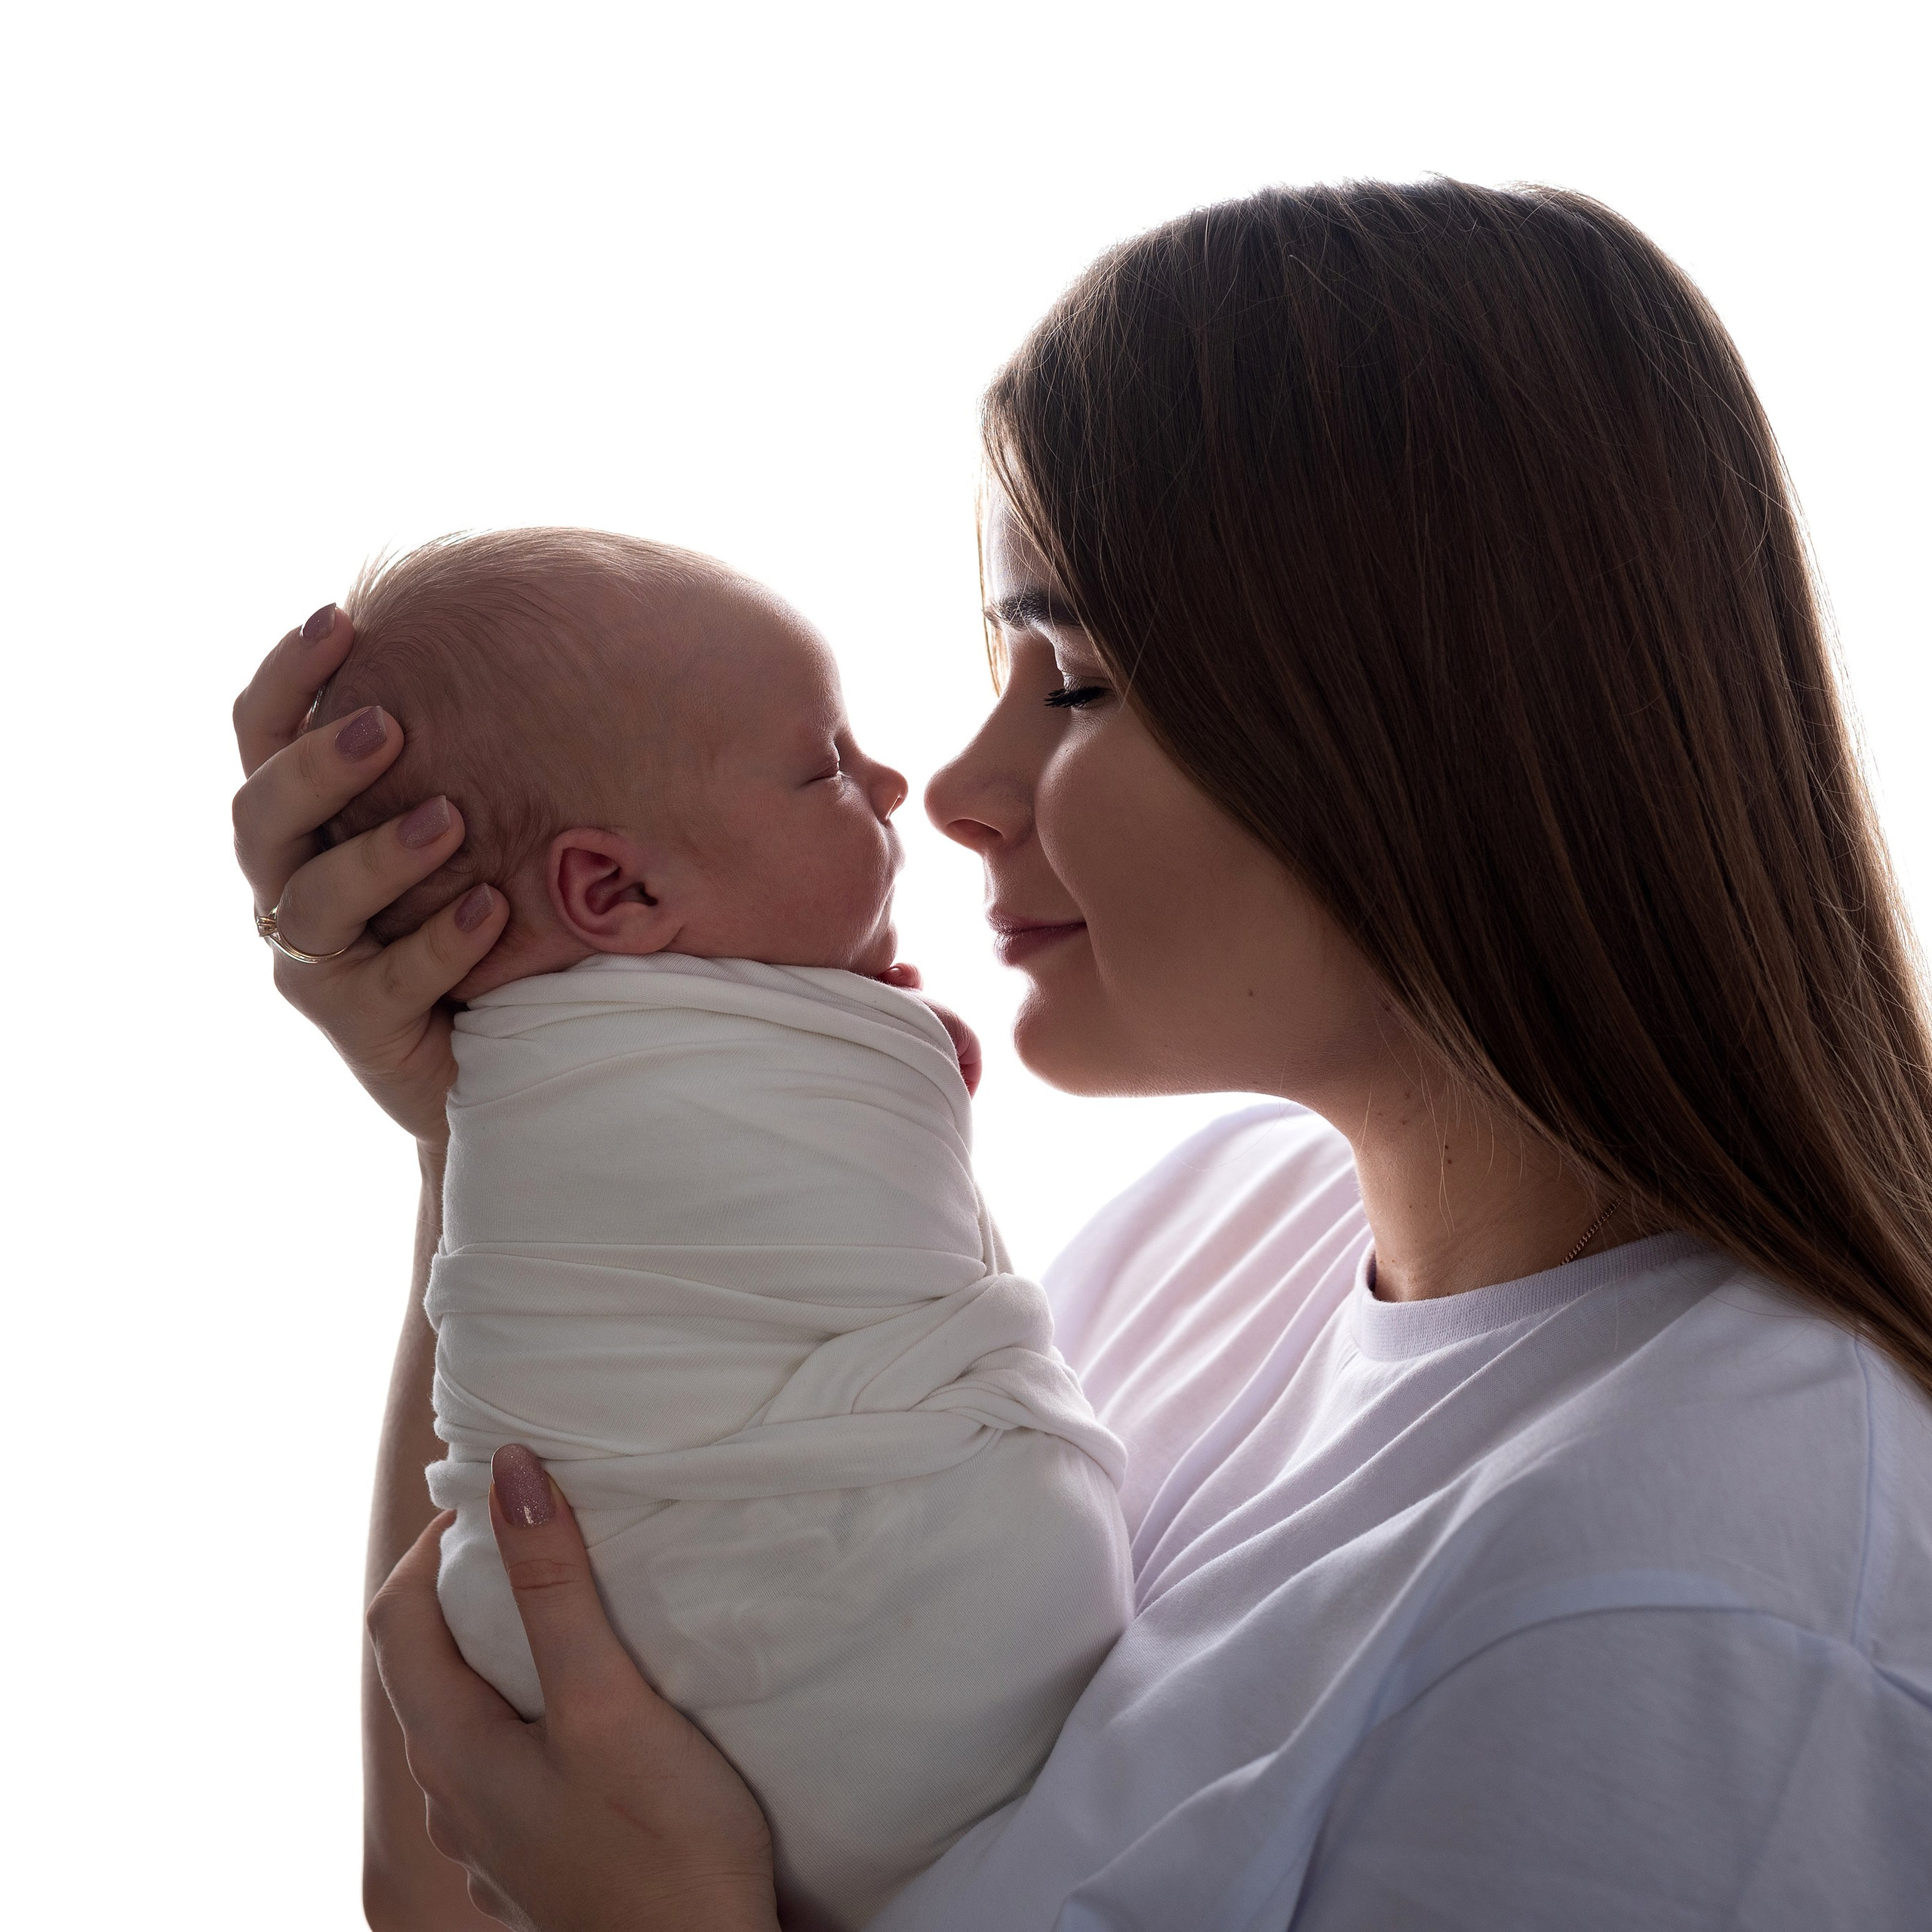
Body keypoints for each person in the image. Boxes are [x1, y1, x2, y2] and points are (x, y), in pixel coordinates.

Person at [232, 179, 1932, 1930]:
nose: (954, 792)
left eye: (1075, 681)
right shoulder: (1215, 1247)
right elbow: (450, 1876)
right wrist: (492, 1114)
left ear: (1424, 715)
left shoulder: (1689, 1605)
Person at [300, 526, 1131, 1930]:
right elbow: (437, 1905)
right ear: (613, 893)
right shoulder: (1187, 1240)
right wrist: (462, 1131)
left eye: (1084, 686)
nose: (928, 790)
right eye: (827, 768)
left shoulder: (1594, 1594)